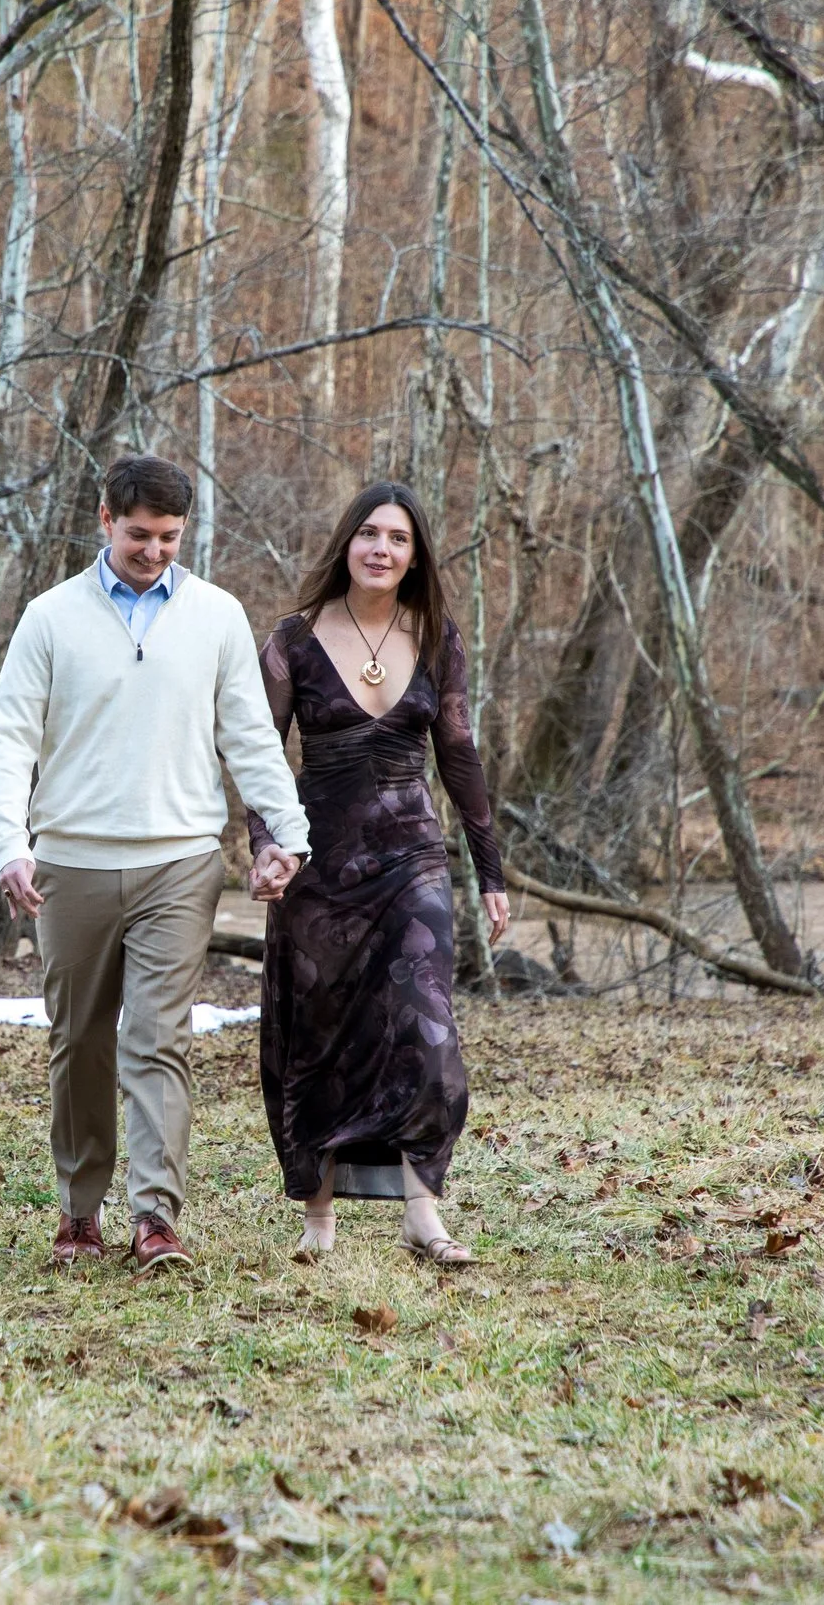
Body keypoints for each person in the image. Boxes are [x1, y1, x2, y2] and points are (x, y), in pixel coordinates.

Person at [0, 455, 311, 1275]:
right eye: (138, 535)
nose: (153, 551)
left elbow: (249, 737)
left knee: (159, 1040)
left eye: (168, 537)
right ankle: (79, 1213)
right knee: (80, 1041)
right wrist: (9, 846)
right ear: (104, 519)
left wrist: (287, 834)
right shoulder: (50, 618)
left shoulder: (217, 616)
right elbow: (10, 736)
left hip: (180, 862)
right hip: (71, 864)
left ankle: (156, 1220)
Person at [247, 481, 510, 1267]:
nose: (382, 549)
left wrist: (489, 870)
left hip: (411, 862)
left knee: (427, 1034)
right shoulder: (291, 640)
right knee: (318, 1037)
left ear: (415, 554)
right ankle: (318, 1219)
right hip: (315, 865)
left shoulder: (438, 639)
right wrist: (264, 843)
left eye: (397, 538)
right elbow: (260, 755)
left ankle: (422, 1211)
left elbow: (458, 756)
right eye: (368, 533)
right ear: (346, 543)